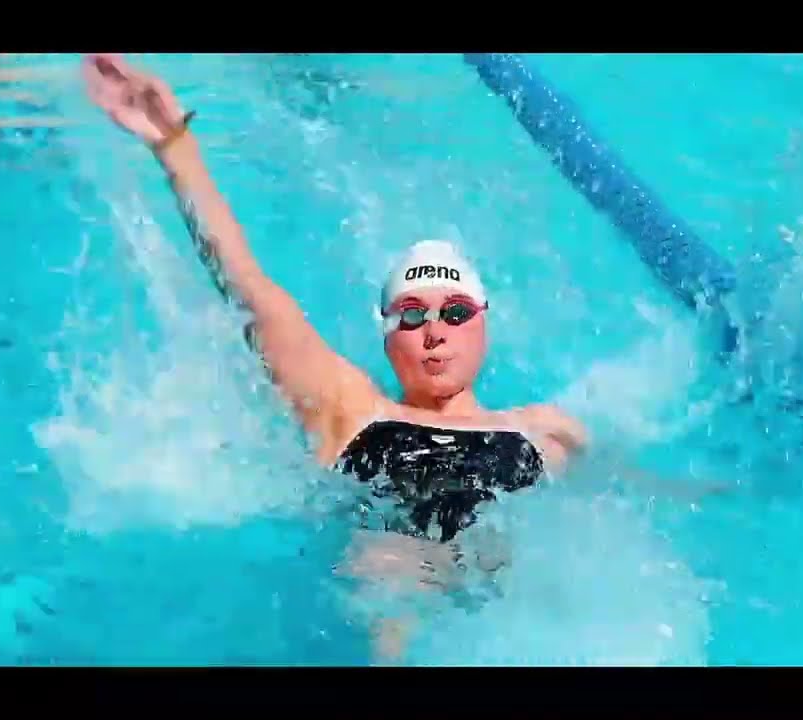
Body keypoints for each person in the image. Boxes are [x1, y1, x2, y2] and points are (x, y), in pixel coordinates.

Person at [83, 54, 684, 661]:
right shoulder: (351, 412)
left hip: (509, 588)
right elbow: (251, 291)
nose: (434, 331)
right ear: (388, 337)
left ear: (483, 324)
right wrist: (176, 149)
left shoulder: (547, 430)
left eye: (454, 312)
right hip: (397, 584)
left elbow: (632, 498)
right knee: (388, 565)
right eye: (412, 316)